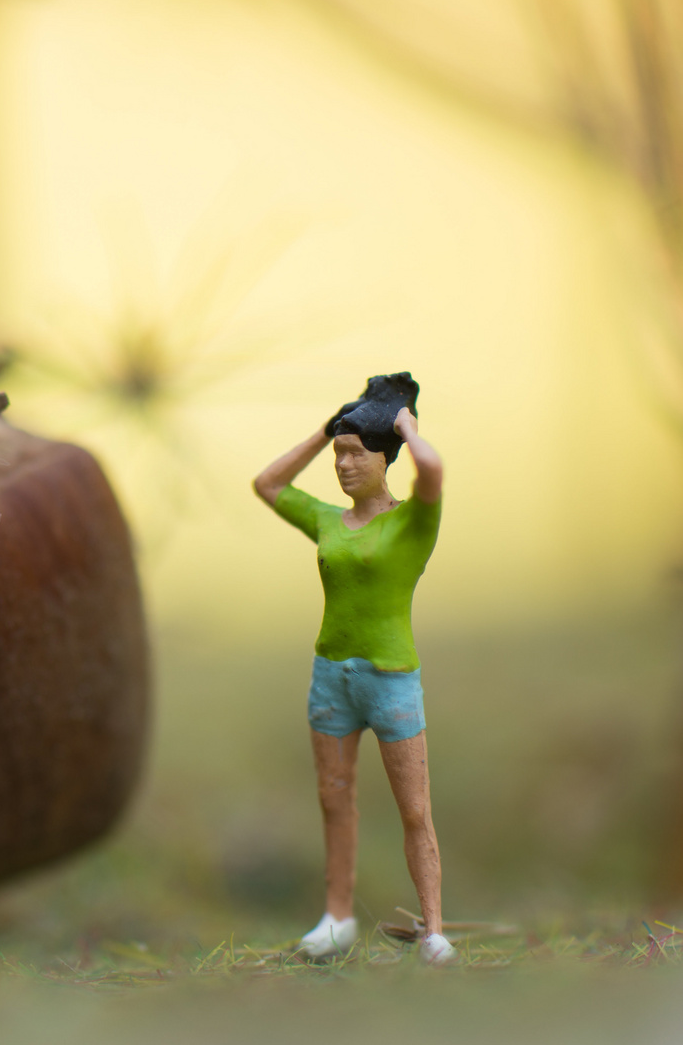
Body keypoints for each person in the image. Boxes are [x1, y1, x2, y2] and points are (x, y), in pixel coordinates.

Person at [252, 375, 453, 965]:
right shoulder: (327, 522)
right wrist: (325, 428)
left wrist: (405, 425)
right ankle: (337, 917)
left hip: (391, 680)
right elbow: (267, 484)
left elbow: (434, 471)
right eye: (338, 455)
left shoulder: (413, 522)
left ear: (382, 457)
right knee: (334, 797)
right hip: (331, 678)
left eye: (354, 453)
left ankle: (434, 930)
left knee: (414, 810)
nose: (342, 466)